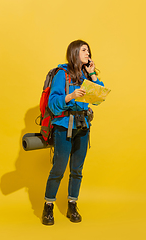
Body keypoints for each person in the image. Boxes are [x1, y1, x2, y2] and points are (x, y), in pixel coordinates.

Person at [42, 39, 104, 225]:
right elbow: (53, 104)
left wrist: (93, 75)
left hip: (83, 126)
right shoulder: (62, 74)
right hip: (64, 126)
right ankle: (48, 206)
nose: (88, 53)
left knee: (77, 170)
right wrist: (70, 96)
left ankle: (72, 204)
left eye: (89, 51)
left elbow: (99, 99)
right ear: (74, 52)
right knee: (58, 169)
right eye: (84, 50)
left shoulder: (87, 74)